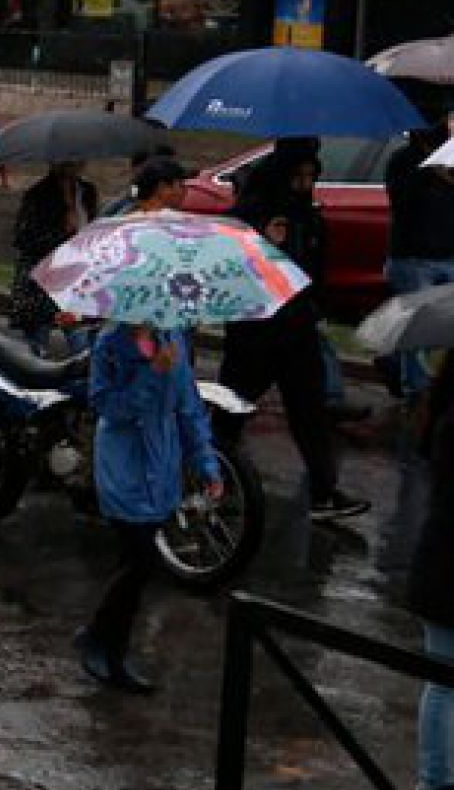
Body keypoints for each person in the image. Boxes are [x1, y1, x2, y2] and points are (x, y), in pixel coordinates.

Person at [222, 139, 369, 521]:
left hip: (298, 328)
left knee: (310, 412)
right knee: (230, 408)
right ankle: (210, 475)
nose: (305, 184)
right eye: (298, 176)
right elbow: (230, 264)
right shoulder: (251, 212)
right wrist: (263, 243)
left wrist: (315, 305)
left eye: (310, 176)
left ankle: (323, 491)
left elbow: (315, 268)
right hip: (256, 332)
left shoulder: (309, 215)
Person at [76, 322, 222, 694]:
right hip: (123, 466)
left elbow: (189, 407)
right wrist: (152, 374)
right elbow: (107, 406)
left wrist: (206, 464)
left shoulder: (172, 337)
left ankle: (97, 633)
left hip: (161, 466)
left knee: (135, 563)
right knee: (142, 561)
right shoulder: (109, 344)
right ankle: (110, 652)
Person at [406, 356, 454, 790]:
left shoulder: (443, 409)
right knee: (443, 680)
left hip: (441, 567)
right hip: (447, 572)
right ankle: (434, 785)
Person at [386, 117, 454, 399]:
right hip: (413, 256)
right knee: (418, 326)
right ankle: (417, 389)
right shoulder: (403, 161)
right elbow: (400, 201)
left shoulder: (450, 158)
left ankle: (395, 364)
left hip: (448, 252)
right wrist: (427, 172)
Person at [8, 162, 99, 355]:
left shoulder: (87, 192)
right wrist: (62, 235)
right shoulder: (39, 194)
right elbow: (23, 238)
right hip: (42, 279)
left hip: (75, 279)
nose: (75, 163)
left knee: (82, 345)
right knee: (35, 347)